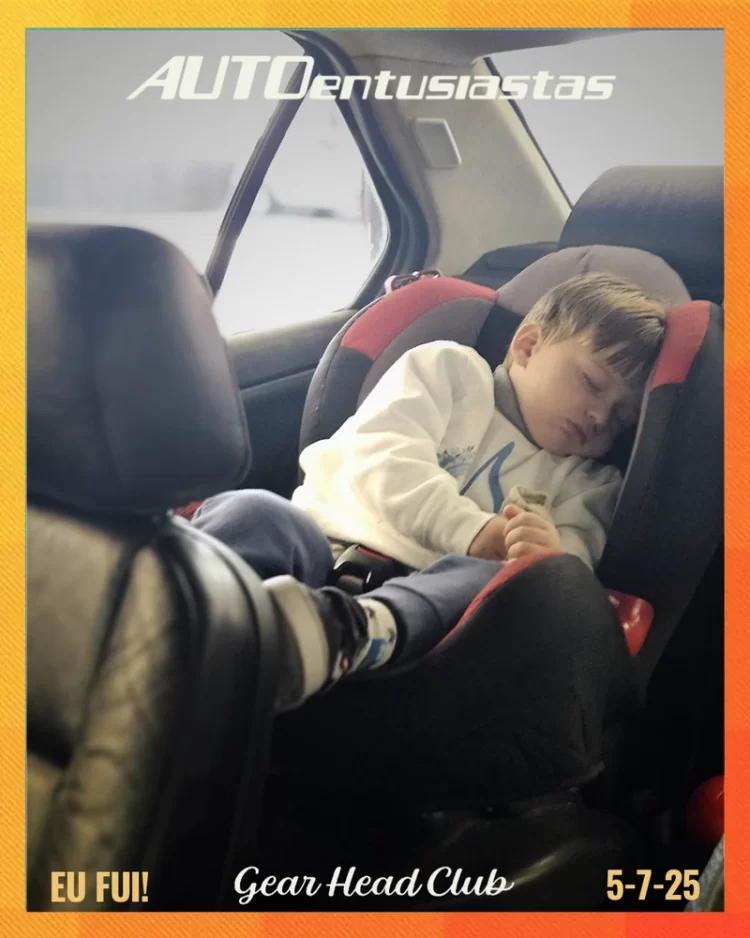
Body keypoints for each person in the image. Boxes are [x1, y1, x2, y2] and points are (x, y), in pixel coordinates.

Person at [193, 273, 667, 720]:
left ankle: (345, 636)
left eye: (621, 418)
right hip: (322, 541)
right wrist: (474, 531)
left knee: (489, 584)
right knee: (252, 510)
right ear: (527, 346)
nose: (600, 417)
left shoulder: (591, 482)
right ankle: (202, 621)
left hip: (421, 613)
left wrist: (547, 555)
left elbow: (571, 580)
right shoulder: (450, 371)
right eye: (591, 383)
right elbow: (384, 461)